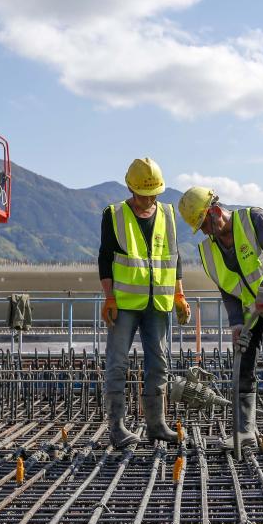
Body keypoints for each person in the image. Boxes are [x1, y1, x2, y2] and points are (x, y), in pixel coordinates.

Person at [177, 186, 263, 450]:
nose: (204, 232)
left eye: (204, 224)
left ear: (215, 211)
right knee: (243, 363)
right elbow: (227, 288)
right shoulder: (208, 250)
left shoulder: (253, 219)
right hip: (250, 313)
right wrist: (236, 323)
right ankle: (245, 431)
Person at [99, 157, 191, 447]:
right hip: (125, 303)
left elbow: (175, 258)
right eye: (143, 194)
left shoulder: (167, 213)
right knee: (117, 363)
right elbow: (105, 258)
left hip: (159, 304)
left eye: (152, 194)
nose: (148, 199)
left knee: (160, 362)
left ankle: (157, 425)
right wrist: (109, 296)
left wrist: (179, 294)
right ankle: (116, 428)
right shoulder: (113, 214)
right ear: (130, 188)